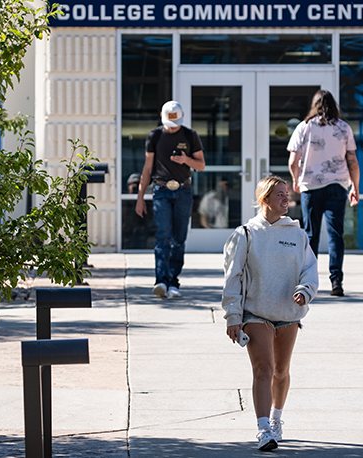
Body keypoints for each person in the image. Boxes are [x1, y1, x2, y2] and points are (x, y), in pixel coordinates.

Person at [222, 176, 318, 451]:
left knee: (281, 370)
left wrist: (305, 290)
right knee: (263, 369)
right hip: (256, 313)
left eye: (287, 194)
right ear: (265, 199)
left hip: (288, 314)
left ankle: (276, 419)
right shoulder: (246, 234)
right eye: (280, 195)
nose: (286, 199)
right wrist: (232, 316)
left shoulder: (297, 235)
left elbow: (310, 270)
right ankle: (264, 429)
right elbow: (233, 276)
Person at [287, 90, 359, 297]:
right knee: (336, 234)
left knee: (311, 234)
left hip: (311, 186)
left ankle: (308, 281)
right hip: (337, 185)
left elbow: (293, 161)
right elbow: (352, 161)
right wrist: (355, 187)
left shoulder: (304, 127)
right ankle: (336, 281)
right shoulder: (344, 128)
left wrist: (295, 181)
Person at [136, 101, 205, 298]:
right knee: (162, 236)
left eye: (176, 123)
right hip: (161, 190)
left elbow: (201, 165)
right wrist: (140, 197)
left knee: (179, 238)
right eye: (170, 123)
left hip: (183, 190)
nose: (173, 127)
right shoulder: (155, 136)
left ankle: (173, 281)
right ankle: (161, 281)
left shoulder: (190, 136)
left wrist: (186, 160)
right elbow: (147, 168)